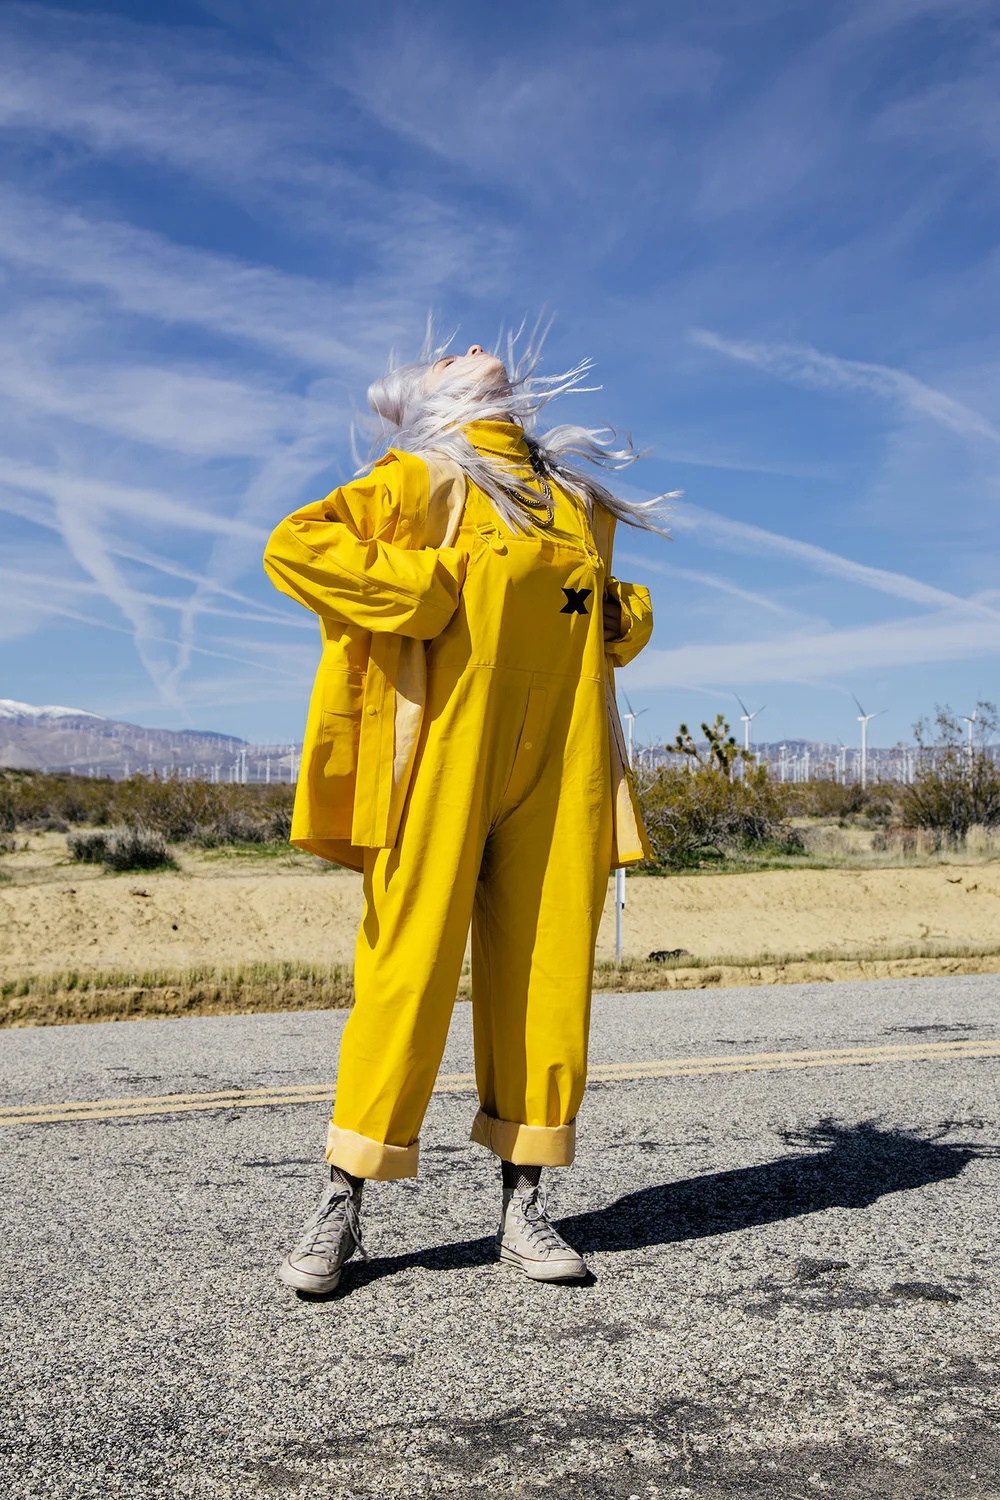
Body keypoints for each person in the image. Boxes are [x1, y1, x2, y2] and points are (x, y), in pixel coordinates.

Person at [263, 330, 666, 1293]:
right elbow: (297, 546)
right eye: (445, 353)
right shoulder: (420, 478)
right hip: (440, 759)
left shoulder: (575, 502)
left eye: (477, 348)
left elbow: (608, 614)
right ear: (424, 397)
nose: (469, 344)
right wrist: (428, 590)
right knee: (407, 973)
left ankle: (524, 1205)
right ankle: (344, 1200)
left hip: (561, 764)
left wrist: (625, 616)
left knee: (546, 978)